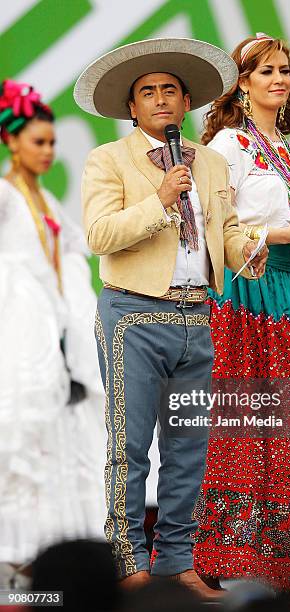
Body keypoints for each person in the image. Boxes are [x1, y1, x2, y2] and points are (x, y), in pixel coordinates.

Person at [74, 37, 267, 599]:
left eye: (170, 91)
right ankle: (125, 562)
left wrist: (268, 249)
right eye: (147, 92)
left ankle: (176, 561)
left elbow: (227, 236)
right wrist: (159, 198)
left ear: (187, 104)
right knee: (129, 444)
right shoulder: (107, 159)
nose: (160, 99)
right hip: (132, 314)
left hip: (196, 315)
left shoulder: (208, 161)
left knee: (191, 445)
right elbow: (99, 236)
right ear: (132, 107)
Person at [192, 33, 290, 594]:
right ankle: (223, 557)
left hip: (283, 289)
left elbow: (281, 224)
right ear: (243, 81)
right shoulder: (230, 143)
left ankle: (282, 560)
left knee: (288, 421)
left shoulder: (286, 147)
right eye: (266, 70)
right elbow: (215, 228)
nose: (279, 79)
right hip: (243, 292)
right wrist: (282, 234)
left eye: (285, 69)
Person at [0, 80, 106, 583]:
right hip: (23, 338)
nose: (48, 151)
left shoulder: (44, 198)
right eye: (38, 142)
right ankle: (13, 552)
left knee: (64, 439)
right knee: (26, 434)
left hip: (61, 335)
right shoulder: (4, 195)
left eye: (52, 142)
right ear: (11, 140)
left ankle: (52, 555)